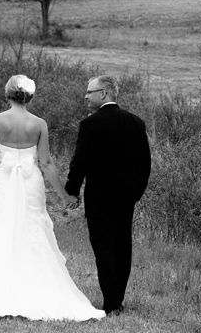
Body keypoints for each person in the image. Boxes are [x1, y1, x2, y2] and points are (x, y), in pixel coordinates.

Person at [0, 75, 105, 321]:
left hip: (4, 182)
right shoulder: (39, 124)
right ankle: (37, 288)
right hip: (31, 183)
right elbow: (46, 163)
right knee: (33, 230)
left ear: (8, 93)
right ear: (30, 96)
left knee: (0, 228)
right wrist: (64, 196)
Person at [65, 75, 151, 316]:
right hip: (126, 198)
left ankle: (111, 302)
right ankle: (117, 299)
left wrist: (72, 191)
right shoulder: (136, 123)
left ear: (104, 93)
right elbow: (145, 164)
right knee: (122, 247)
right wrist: (136, 193)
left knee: (103, 248)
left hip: (99, 197)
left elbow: (79, 163)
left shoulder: (90, 125)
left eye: (89, 91)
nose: (85, 96)